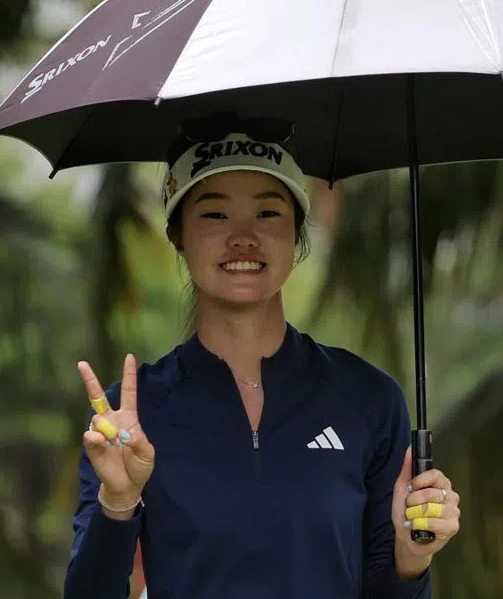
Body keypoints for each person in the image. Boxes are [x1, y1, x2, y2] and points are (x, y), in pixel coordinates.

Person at [64, 114, 462, 599]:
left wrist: (411, 557)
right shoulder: (130, 418)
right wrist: (118, 502)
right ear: (178, 234)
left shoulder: (368, 398)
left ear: (296, 233)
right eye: (214, 214)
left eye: (268, 213)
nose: (243, 237)